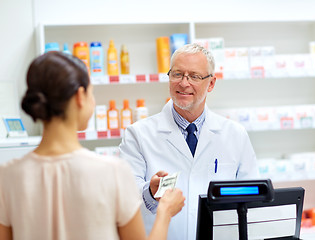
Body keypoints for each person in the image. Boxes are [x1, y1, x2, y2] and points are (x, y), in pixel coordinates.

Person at [0, 51, 185, 240]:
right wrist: (165, 212)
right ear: (80, 96)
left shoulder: (6, 176)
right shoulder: (112, 172)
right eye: (92, 92)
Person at [119, 43, 259, 240]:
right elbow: (124, 200)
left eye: (194, 76)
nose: (184, 83)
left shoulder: (235, 135)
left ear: (211, 84)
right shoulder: (137, 135)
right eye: (177, 74)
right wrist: (149, 193)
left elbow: (253, 200)